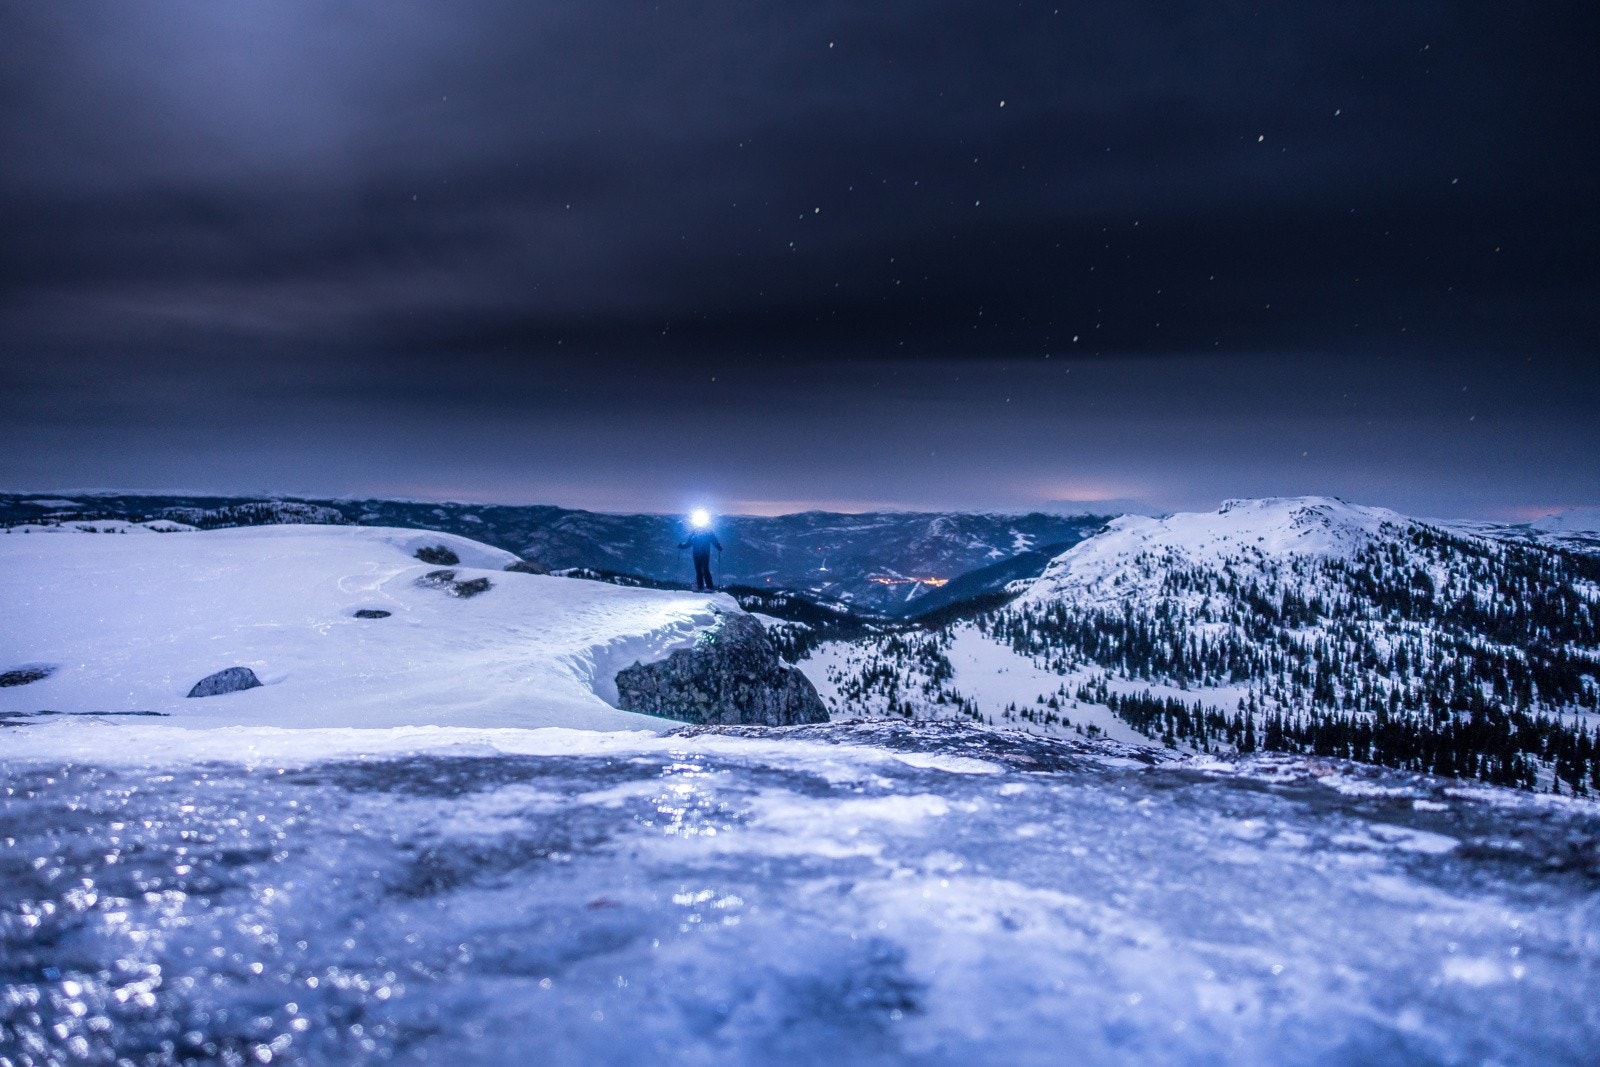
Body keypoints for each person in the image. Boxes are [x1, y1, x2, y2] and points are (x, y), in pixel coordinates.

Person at [680, 511, 723, 591]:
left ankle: (707, 587)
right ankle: (703, 586)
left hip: (701, 554)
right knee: (699, 570)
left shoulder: (697, 532)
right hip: (701, 554)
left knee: (704, 569)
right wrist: (718, 547)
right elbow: (714, 541)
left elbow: (689, 543)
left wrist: (682, 546)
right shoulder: (706, 532)